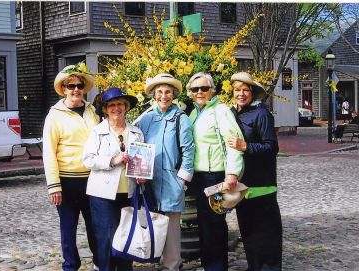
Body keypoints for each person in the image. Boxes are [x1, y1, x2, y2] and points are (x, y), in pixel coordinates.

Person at [43, 63, 100, 271]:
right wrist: (54, 186)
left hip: (92, 179)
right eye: (71, 86)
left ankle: (99, 262)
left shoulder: (92, 111)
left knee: (95, 226)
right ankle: (70, 266)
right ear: (64, 89)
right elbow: (49, 152)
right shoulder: (55, 116)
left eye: (79, 85)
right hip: (67, 181)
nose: (75, 89)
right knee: (68, 228)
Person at [187, 72, 245, 271]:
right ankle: (209, 265)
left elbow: (233, 143)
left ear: (212, 90)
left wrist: (232, 174)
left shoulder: (221, 111)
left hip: (215, 176)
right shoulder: (194, 113)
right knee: (204, 226)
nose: (200, 92)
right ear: (190, 93)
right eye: (195, 89)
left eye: (204, 88)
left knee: (215, 226)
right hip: (199, 177)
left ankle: (217, 267)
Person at [137, 73, 195, 271]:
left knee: (171, 229)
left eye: (168, 92)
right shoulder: (146, 118)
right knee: (154, 224)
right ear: (154, 95)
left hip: (171, 181)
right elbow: (136, 142)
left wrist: (183, 180)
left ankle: (172, 266)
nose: (164, 96)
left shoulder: (181, 118)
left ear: (174, 95)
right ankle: (158, 262)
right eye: (160, 92)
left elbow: (189, 150)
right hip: (149, 181)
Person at [83, 87, 145, 271]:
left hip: (129, 192)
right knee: (106, 237)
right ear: (105, 109)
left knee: (127, 236)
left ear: (126, 107)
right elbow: (88, 159)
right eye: (112, 105)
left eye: (120, 104)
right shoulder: (97, 132)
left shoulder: (136, 132)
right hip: (102, 194)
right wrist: (112, 160)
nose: (116, 109)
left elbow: (142, 159)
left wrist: (142, 175)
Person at [227, 72, 282, 271]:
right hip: (242, 187)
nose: (241, 94)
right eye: (237, 90)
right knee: (249, 236)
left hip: (262, 186)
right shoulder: (232, 114)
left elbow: (271, 147)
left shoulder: (261, 114)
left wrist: (246, 146)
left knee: (266, 237)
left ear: (252, 93)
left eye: (245, 90)